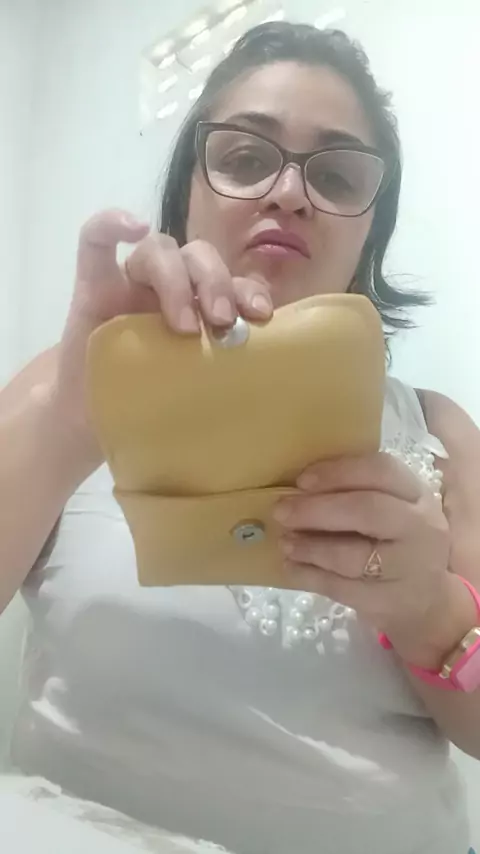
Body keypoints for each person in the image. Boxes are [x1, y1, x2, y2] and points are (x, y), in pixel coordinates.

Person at [1, 21, 479, 854]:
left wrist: (427, 613)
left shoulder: (442, 434)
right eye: (246, 156)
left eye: (336, 174)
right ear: (189, 188)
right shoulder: (72, 379)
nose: (288, 193)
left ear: (372, 226)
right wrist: (73, 422)